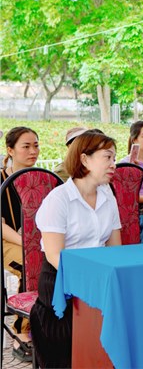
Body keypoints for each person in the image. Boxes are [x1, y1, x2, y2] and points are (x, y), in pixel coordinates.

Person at [30, 131, 122, 367]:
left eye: (114, 158)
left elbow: (115, 249)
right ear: (84, 159)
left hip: (98, 277)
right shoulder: (58, 199)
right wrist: (88, 279)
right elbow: (54, 256)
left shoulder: (108, 196)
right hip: (61, 281)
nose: (114, 164)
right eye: (107, 157)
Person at [1, 126, 40, 361]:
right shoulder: (1, 179)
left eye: (36, 145)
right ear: (10, 150)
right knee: (30, 264)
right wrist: (28, 243)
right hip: (8, 242)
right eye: (26, 146)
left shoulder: (42, 179)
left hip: (37, 242)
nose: (33, 151)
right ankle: (22, 332)